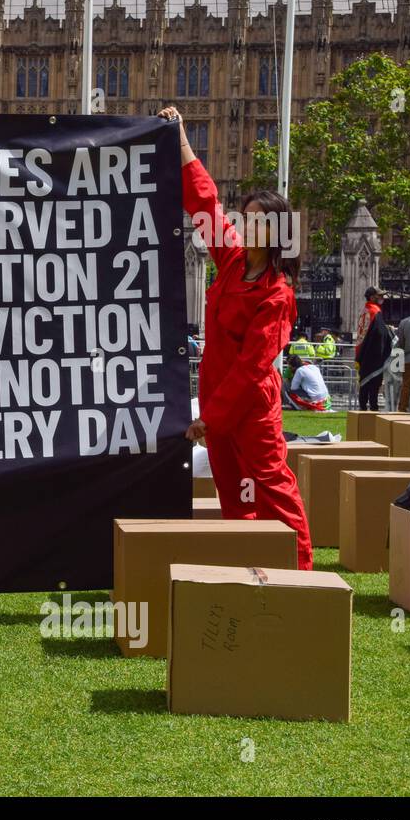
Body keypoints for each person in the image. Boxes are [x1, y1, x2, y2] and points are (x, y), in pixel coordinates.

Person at [160, 104, 312, 571]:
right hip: (216, 395)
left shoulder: (278, 292)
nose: (247, 226)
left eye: (259, 221)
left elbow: (253, 365)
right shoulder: (229, 259)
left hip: (249, 405)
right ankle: (249, 563)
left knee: (270, 482)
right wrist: (181, 138)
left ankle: (300, 566)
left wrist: (212, 417)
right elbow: (205, 203)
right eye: (245, 218)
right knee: (231, 486)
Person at [355, 287, 392, 411]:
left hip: (364, 352)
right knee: (374, 383)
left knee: (364, 382)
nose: (382, 298)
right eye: (379, 296)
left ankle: (362, 407)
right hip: (373, 354)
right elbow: (380, 334)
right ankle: (373, 407)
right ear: (372, 297)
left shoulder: (366, 310)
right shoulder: (375, 311)